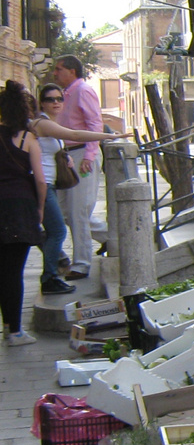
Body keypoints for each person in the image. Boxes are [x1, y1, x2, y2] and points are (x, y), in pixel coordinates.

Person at [31, 85, 123, 294]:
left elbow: (85, 127)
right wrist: (107, 137)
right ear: (42, 102)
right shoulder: (43, 123)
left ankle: (61, 269)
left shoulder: (55, 117)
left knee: (70, 217)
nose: (56, 102)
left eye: (59, 98)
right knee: (61, 226)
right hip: (44, 184)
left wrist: (82, 157)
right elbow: (76, 134)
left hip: (54, 179)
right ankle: (53, 275)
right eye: (50, 99)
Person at [0, 82, 47, 346]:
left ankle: (8, 324)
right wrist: (40, 208)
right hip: (19, 207)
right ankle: (15, 331)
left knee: (2, 270)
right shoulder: (28, 138)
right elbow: (40, 180)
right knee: (13, 271)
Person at [52, 55, 103, 280]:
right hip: (69, 155)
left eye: (59, 69)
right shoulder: (67, 93)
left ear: (72, 71)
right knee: (65, 211)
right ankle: (112, 238)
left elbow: (95, 123)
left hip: (82, 154)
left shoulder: (83, 90)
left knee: (78, 211)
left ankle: (82, 263)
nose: (55, 73)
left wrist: (89, 156)